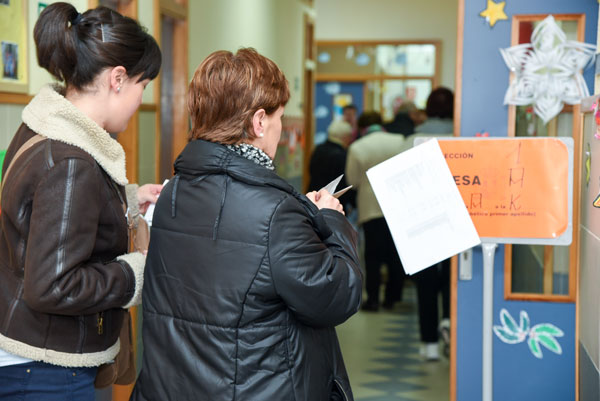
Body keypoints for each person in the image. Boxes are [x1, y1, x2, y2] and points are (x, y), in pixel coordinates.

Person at [131, 48, 362, 401]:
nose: (281, 130)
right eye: (279, 117)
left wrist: (302, 217)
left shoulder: (174, 192)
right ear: (258, 122)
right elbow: (336, 296)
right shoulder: (276, 211)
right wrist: (331, 220)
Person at [0, 3, 162, 400]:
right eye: (143, 86)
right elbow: (54, 285)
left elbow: (44, 215)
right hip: (45, 369)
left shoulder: (42, 129)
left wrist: (128, 199)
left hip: (25, 350)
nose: (142, 99)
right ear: (118, 79)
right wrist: (136, 272)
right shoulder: (73, 162)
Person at [346, 111, 407, 311]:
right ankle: (393, 298)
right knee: (396, 254)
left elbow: (352, 181)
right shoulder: (399, 140)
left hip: (370, 207)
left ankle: (372, 299)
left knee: (372, 256)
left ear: (362, 127)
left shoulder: (357, 147)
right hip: (398, 205)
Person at [410, 87, 454, 360]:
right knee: (453, 277)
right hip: (455, 216)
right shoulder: (462, 135)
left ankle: (429, 345)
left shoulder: (412, 139)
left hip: (422, 218)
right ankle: (449, 322)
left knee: (425, 283)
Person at [308, 119, 356, 212]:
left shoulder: (318, 149)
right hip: (333, 204)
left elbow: (310, 170)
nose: (350, 139)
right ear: (344, 137)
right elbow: (344, 182)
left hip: (314, 199)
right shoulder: (342, 154)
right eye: (349, 136)